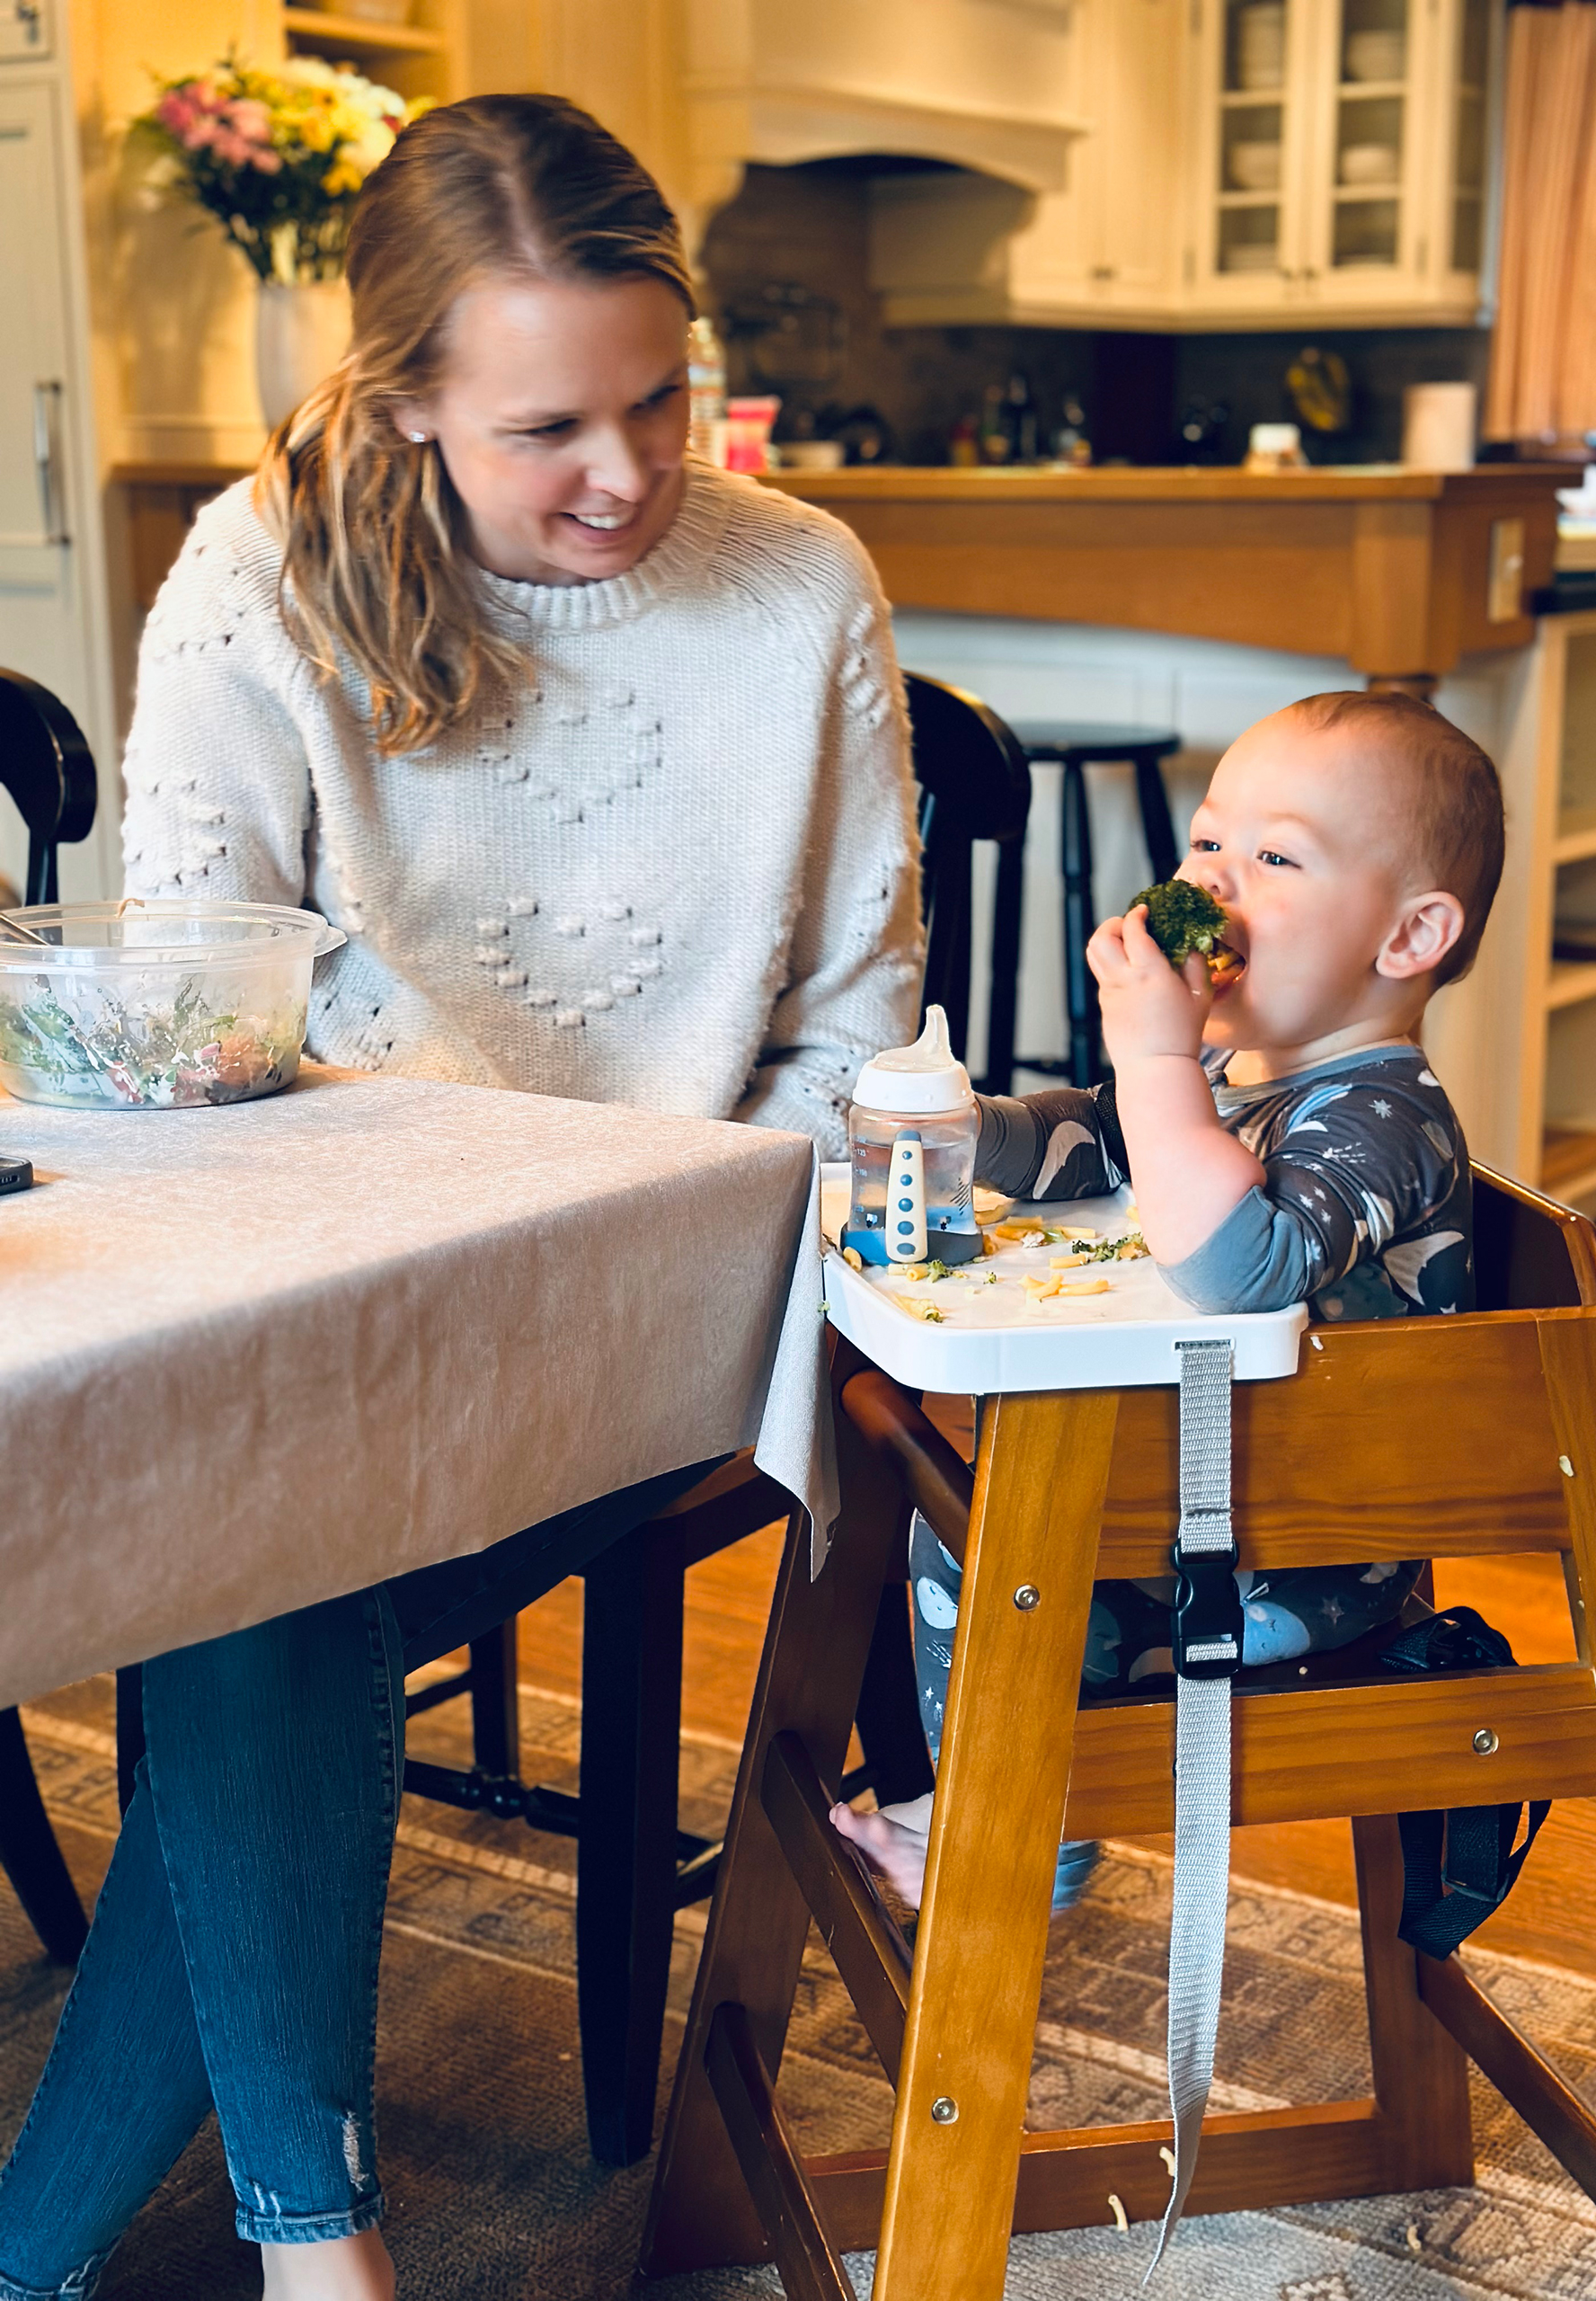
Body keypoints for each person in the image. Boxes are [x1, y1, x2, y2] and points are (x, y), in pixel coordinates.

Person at [0, 94, 919, 2301]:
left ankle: (134, 2252)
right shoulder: (259, 577)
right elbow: (195, 1040)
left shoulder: (798, 585)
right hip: (354, 1289)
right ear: (404, 397)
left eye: (658, 397)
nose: (625, 471)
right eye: (546, 429)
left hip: (667, 1295)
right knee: (265, 1529)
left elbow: (859, 1033)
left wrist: (670, 1240)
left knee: (251, 1552)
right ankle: (295, 2253)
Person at [831, 689, 1503, 1907]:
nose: (1216, 882)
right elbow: (1100, 1142)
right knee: (930, 1482)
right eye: (1206, 842)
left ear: (1408, 937)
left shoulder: (1390, 1119)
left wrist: (1152, 1063)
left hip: (1299, 1568)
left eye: (1275, 855)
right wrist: (971, 1132)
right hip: (1201, 1500)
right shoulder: (1223, 1072)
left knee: (982, 1543)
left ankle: (1021, 1837)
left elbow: (1240, 1265)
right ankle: (1001, 1798)